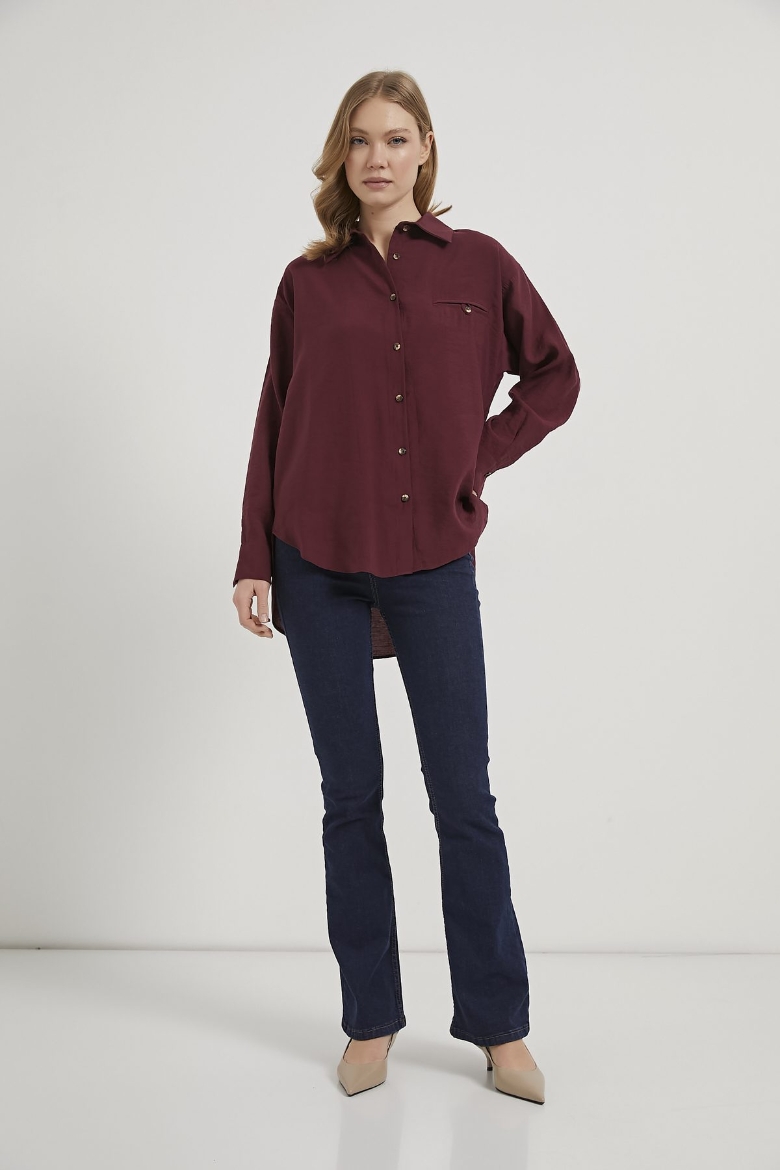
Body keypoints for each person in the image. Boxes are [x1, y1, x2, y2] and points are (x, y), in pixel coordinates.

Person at [232, 70, 580, 1101]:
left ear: (425, 147)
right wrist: (254, 556)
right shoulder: (307, 283)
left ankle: (500, 1029)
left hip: (432, 559)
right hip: (316, 558)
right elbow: (274, 416)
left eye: (394, 138)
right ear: (340, 158)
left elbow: (555, 374)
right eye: (359, 140)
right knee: (351, 799)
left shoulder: (480, 264)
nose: (376, 158)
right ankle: (370, 1021)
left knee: (463, 798)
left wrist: (477, 456)